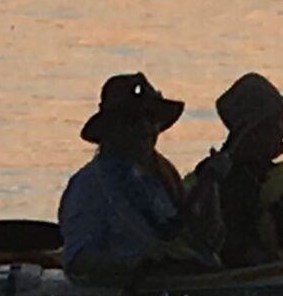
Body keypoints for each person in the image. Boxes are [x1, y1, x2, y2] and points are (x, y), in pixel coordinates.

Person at [57, 71, 217, 279]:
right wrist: (138, 265)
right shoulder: (89, 186)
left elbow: (198, 236)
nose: (145, 128)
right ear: (111, 129)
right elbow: (77, 261)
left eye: (150, 118)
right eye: (132, 120)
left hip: (179, 289)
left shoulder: (164, 175)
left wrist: (210, 187)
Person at [188, 72, 283, 268]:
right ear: (255, 130)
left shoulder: (265, 174)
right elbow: (233, 248)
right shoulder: (228, 183)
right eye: (280, 122)